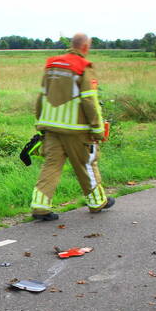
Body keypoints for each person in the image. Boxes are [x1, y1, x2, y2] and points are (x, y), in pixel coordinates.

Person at [28, 33, 114, 221]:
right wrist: (97, 129)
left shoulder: (51, 65)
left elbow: (41, 96)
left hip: (51, 127)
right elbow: (90, 100)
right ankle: (97, 202)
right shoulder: (83, 67)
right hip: (76, 129)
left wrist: (40, 122)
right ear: (85, 47)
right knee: (87, 164)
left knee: (51, 166)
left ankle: (39, 207)